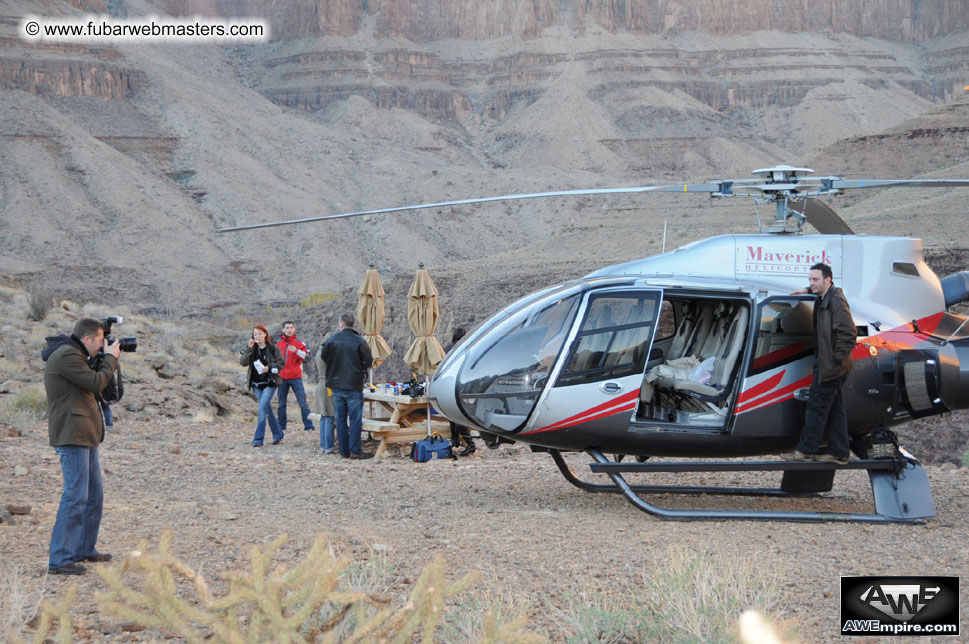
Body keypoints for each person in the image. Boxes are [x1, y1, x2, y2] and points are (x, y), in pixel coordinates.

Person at [43, 318, 122, 575]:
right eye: (100, 340)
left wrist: (104, 359)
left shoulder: (76, 354)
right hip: (72, 433)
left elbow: (98, 385)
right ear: (87, 339)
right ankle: (60, 559)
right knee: (75, 496)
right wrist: (110, 358)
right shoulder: (67, 355)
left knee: (93, 496)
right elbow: (95, 383)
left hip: (84, 433)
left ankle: (83, 548)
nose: (103, 344)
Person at [790, 262, 857, 464]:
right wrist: (806, 290)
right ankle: (840, 453)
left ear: (828, 280)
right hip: (829, 363)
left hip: (832, 365)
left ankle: (805, 451)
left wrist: (835, 359)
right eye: (810, 279)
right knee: (836, 408)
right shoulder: (824, 296)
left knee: (816, 406)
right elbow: (815, 288)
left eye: (815, 279)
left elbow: (849, 334)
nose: (812, 283)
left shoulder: (836, 301)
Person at [321, 314, 373, 459]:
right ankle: (355, 450)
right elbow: (368, 361)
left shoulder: (330, 341)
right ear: (352, 324)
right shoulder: (360, 341)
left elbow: (324, 357)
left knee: (341, 418)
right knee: (355, 419)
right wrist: (359, 368)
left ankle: (344, 451)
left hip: (336, 385)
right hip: (354, 385)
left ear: (341, 324)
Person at [240, 324, 285, 447]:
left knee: (261, 409)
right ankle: (278, 434)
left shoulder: (273, 348)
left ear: (265, 334)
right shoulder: (252, 349)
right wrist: (249, 349)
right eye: (255, 334)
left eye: (260, 333)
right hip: (256, 384)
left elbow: (281, 363)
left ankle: (258, 439)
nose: (257, 336)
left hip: (270, 383)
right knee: (266, 409)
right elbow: (243, 362)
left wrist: (269, 368)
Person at [275, 321, 315, 433]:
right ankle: (281, 426)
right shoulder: (277, 343)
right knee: (281, 403)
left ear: (294, 329)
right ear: (283, 330)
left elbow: (307, 359)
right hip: (282, 377)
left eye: (291, 327)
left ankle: (309, 426)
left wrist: (296, 351)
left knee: (302, 402)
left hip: (296, 377)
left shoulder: (300, 343)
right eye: (287, 328)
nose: (289, 330)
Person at [444, 327, 476, 456]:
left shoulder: (446, 349)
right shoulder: (466, 349)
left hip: (448, 384)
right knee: (459, 415)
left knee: (451, 414)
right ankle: (470, 444)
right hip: (462, 385)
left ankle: (455, 439)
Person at [314, 330, 336, 454]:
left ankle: (323, 445)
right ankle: (329, 446)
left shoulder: (319, 352)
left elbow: (314, 368)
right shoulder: (329, 354)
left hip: (320, 384)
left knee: (323, 416)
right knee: (329, 416)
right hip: (328, 386)